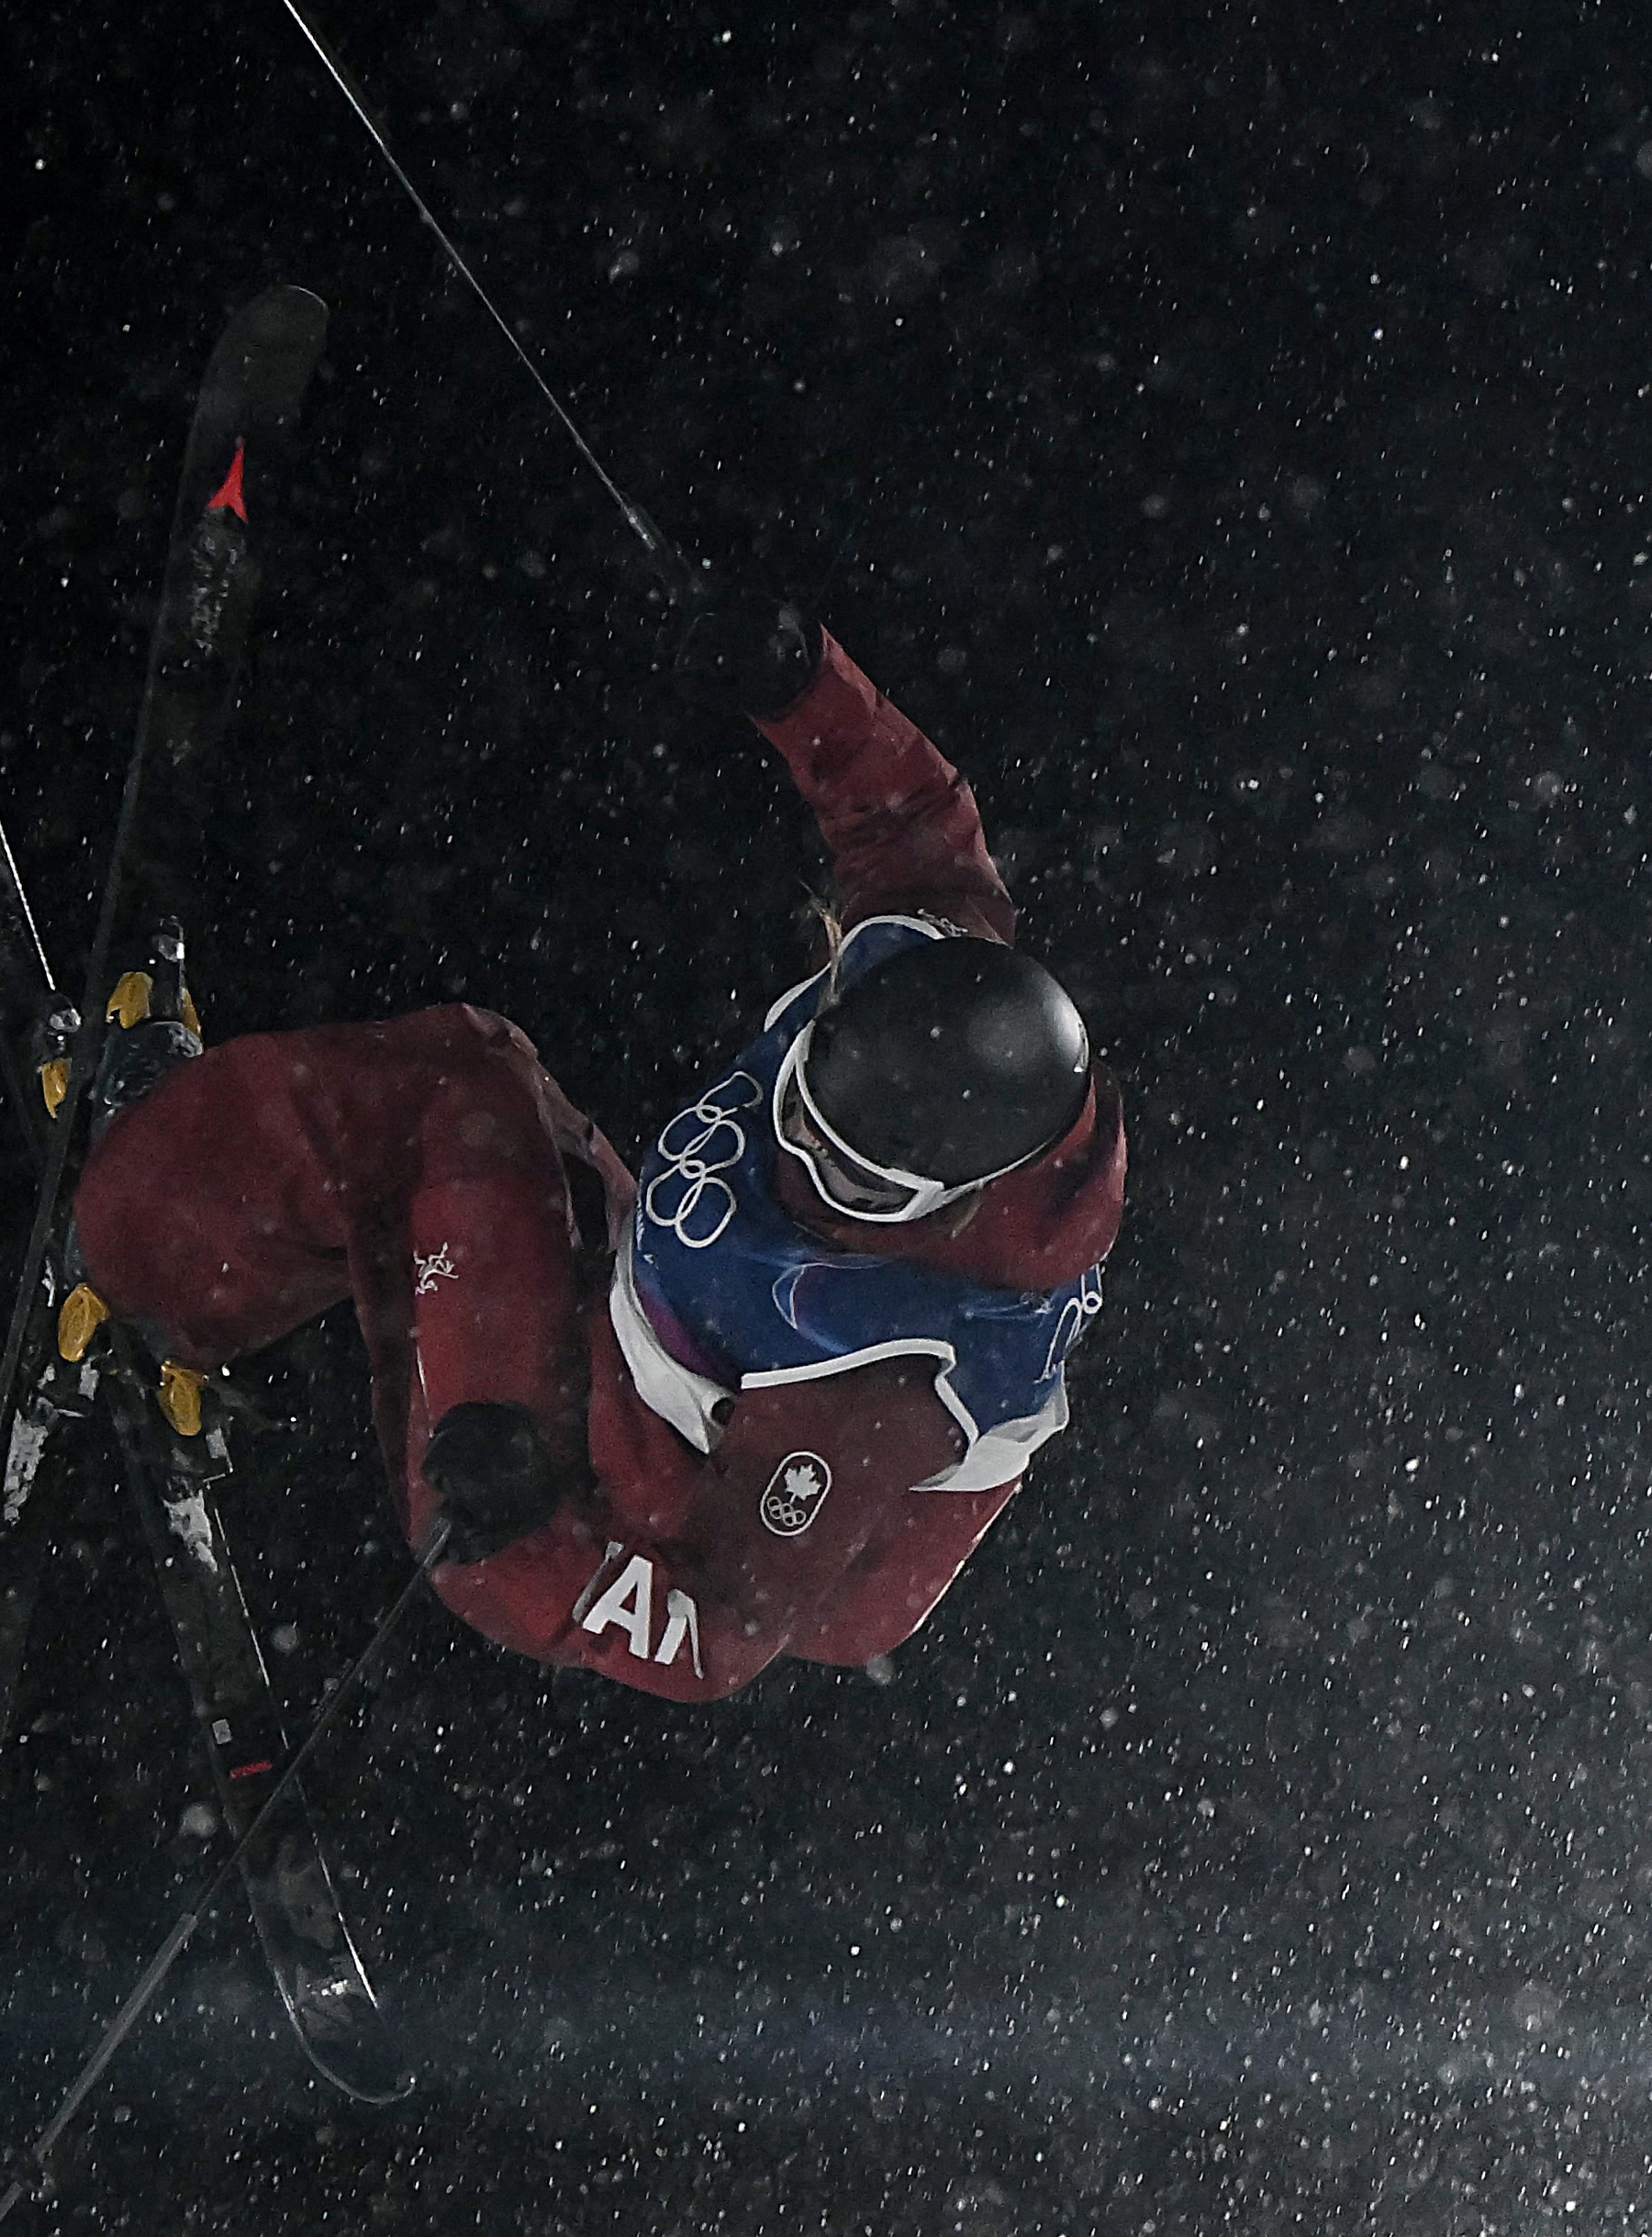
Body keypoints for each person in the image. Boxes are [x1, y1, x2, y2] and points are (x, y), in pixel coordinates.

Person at [61, 565, 1119, 1699]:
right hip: (644, 1322)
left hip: (630, 1507)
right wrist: (799, 680)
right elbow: (906, 818)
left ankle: (134, 1245)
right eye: (799, 1114)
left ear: (951, 1204)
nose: (804, 1173)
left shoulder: (882, 1383)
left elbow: (720, 1636)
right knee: (475, 1085)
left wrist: (525, 1529)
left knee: (448, 1116)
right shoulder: (925, 970)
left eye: (856, 1187)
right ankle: (192, 1267)